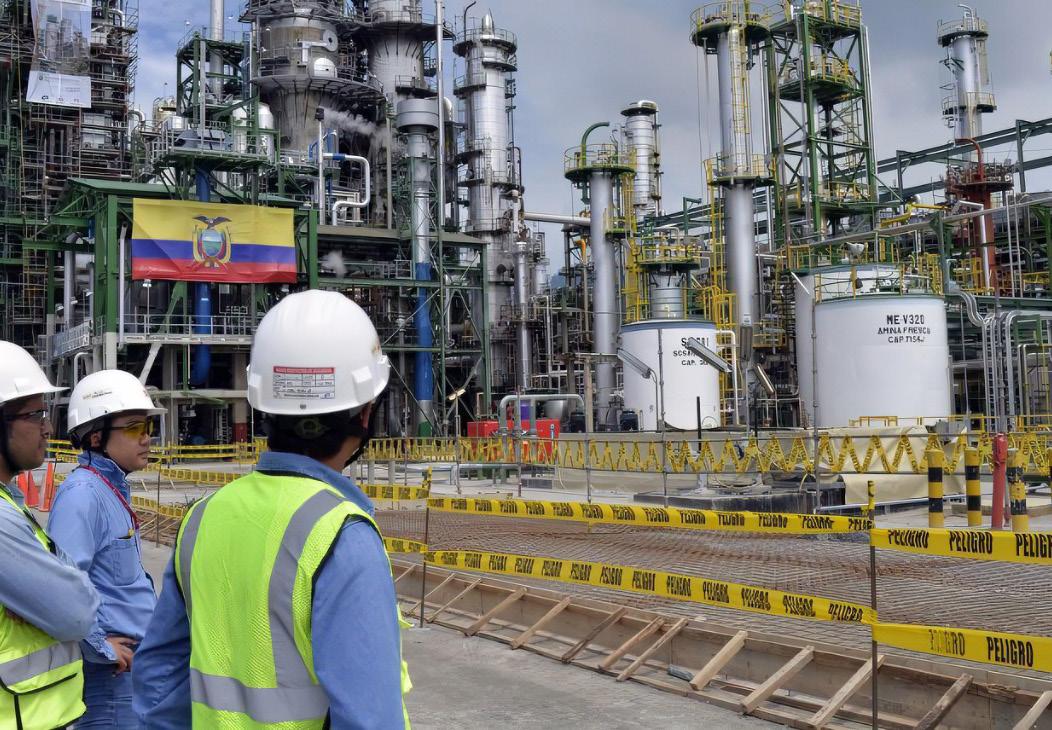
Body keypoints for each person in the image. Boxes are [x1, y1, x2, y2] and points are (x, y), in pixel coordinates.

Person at [134, 290, 411, 728]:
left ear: (262, 408)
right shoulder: (342, 537)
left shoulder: (203, 518)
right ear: (365, 413)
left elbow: (159, 684)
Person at [48, 369, 165, 728]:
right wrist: (100, 646)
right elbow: (61, 589)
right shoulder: (83, 495)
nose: (146, 438)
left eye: (148, 427)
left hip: (129, 671)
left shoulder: (109, 488)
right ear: (96, 436)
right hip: (110, 678)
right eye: (133, 428)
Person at [0, 340, 99, 729]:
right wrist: (63, 587)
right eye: (35, 414)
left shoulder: (12, 502)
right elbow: (78, 612)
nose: (48, 428)